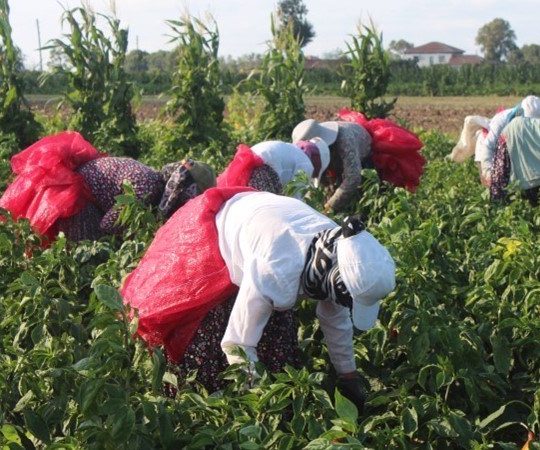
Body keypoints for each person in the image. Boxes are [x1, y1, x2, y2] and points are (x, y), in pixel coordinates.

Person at [121, 188, 396, 412]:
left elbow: (335, 318)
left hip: (265, 223)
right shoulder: (276, 265)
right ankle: (197, 409)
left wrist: (349, 376)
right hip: (221, 231)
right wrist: (262, 400)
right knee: (206, 337)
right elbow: (236, 343)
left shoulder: (339, 254)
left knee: (276, 341)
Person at [0, 131, 215, 242]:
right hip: (75, 197)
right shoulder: (146, 190)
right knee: (89, 253)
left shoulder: (152, 178)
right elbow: (108, 225)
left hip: (81, 191)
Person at [292, 109, 425, 213]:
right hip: (337, 155)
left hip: (365, 154)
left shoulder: (345, 140)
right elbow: (311, 177)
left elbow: (353, 178)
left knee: (364, 193)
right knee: (331, 186)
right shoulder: (308, 142)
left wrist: (329, 207)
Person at [472, 95, 540, 187]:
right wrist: (488, 172)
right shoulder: (502, 120)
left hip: (507, 151)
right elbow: (488, 146)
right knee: (490, 186)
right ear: (520, 111)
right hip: (487, 149)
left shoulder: (536, 123)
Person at [216, 139, 330, 195]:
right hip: (262, 172)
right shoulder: (306, 164)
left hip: (245, 168)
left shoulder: (292, 150)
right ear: (317, 158)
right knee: (265, 217)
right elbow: (296, 198)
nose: (314, 174)